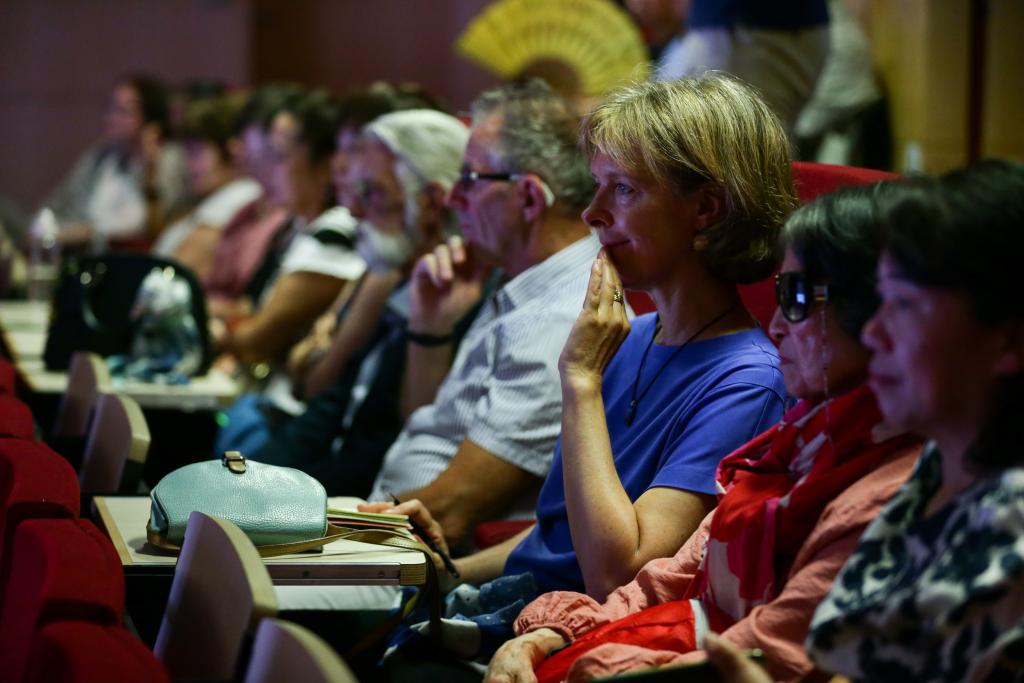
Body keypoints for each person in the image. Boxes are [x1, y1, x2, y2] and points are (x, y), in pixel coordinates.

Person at [485, 181, 922, 683]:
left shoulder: (774, 398)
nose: (777, 324)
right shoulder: (801, 441)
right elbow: (670, 577)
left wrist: (580, 379)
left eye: (625, 187)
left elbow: (762, 647)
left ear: (887, 318)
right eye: (781, 293)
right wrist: (555, 633)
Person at [802, 160, 1024, 682]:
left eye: (904, 304)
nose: (873, 332)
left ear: (1009, 339)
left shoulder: (1014, 530)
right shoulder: (945, 463)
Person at [216, 108, 474, 498]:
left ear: (433, 202)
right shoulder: (393, 276)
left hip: (361, 517)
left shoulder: (460, 296)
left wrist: (265, 499)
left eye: (372, 192)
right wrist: (239, 487)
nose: (353, 209)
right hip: (321, 485)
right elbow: (328, 409)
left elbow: (390, 445)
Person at [44, 75, 189, 250]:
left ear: (151, 121)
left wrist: (149, 170)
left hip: (120, 259)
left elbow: (145, 227)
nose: (110, 118)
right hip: (69, 245)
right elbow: (58, 205)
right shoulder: (100, 157)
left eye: (122, 111)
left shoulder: (169, 159)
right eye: (110, 108)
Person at [151, 96, 262, 279]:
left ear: (232, 149)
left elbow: (175, 272)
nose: (190, 165)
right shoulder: (209, 200)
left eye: (197, 152)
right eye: (188, 153)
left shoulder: (242, 193)